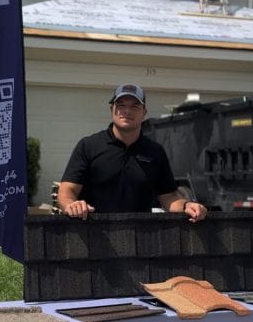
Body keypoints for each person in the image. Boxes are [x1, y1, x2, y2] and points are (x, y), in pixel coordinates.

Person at [57, 83, 208, 222]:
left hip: (140, 238)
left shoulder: (155, 151)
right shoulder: (88, 146)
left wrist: (187, 205)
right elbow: (66, 191)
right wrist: (71, 205)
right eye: (121, 105)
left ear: (144, 113)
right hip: (96, 235)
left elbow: (169, 197)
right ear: (112, 110)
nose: (127, 111)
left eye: (135, 106)